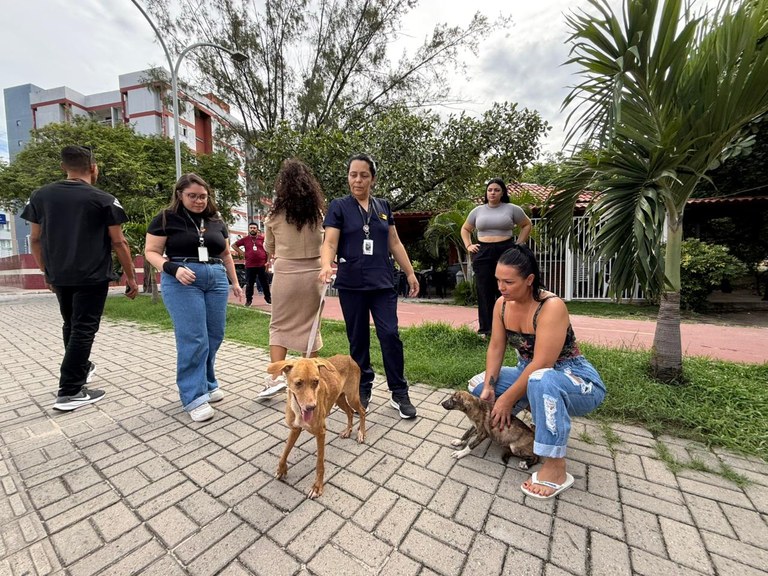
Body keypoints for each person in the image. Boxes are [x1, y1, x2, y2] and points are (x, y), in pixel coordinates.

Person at [470, 244, 605, 499]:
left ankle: (556, 466)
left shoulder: (551, 306)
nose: (501, 287)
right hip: (530, 373)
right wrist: (490, 386)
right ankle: (531, 431)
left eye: (509, 282)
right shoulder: (501, 305)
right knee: (477, 387)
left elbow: (543, 363)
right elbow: (496, 346)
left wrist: (507, 400)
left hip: (574, 378)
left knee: (540, 380)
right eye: (498, 280)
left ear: (529, 279)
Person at [21, 145, 139, 411]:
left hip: (59, 275)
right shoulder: (104, 199)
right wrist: (131, 278)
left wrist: (46, 272)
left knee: (72, 325)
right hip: (92, 275)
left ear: (63, 167)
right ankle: (70, 391)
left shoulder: (40, 196)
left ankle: (81, 369)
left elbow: (36, 239)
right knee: (84, 328)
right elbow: (119, 242)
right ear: (94, 168)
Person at [319, 153, 420, 419]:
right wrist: (326, 264)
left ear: (372, 179)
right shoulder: (339, 206)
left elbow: (394, 242)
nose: (358, 180)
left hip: (382, 283)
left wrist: (410, 272)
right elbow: (330, 242)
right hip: (352, 284)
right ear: (348, 177)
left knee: (390, 335)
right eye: (353, 175)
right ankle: (362, 386)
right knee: (358, 339)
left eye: (364, 175)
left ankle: (399, 392)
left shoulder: (383, 206)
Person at [144, 173, 244, 422]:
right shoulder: (166, 218)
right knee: (194, 337)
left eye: (203, 196)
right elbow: (151, 251)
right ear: (180, 195)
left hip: (216, 278)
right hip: (183, 279)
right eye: (192, 196)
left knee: (214, 334)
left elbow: (226, 255)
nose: (199, 201)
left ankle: (208, 382)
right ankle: (193, 396)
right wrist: (172, 268)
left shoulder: (215, 220)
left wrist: (235, 282)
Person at [261, 158, 326, 397]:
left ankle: (276, 378)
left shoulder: (274, 215)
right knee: (311, 326)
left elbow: (269, 247)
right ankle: (312, 380)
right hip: (314, 274)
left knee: (279, 324)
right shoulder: (318, 213)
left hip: (286, 272)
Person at [461, 178, 532, 338]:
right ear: (486, 193)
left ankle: (509, 328)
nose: (492, 193)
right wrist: (469, 245)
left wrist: (519, 243)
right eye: (490, 190)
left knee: (506, 289)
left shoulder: (512, 209)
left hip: (505, 250)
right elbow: (465, 229)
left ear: (502, 193)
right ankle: (486, 330)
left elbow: (527, 225)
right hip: (483, 251)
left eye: (497, 190)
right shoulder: (478, 211)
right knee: (484, 289)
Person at [233, 222, 271, 306]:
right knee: (249, 284)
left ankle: (268, 299)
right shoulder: (245, 239)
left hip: (262, 265)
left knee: (265, 283)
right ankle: (249, 300)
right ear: (248, 229)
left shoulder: (263, 239)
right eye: (251, 228)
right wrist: (242, 253)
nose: (252, 229)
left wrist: (268, 261)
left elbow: (268, 250)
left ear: (257, 229)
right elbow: (234, 245)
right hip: (250, 265)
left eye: (254, 228)